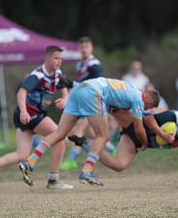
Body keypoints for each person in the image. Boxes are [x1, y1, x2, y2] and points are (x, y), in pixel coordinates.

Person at [19, 77, 160, 187]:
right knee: (103, 136)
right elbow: (139, 128)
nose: (146, 110)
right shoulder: (139, 99)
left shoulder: (130, 88)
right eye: (149, 107)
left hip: (80, 89)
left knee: (59, 133)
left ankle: (29, 162)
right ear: (148, 99)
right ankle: (86, 171)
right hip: (93, 92)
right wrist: (145, 143)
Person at [0, 45, 73, 189]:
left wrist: (65, 99)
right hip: (31, 114)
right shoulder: (37, 75)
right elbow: (21, 93)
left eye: (61, 58)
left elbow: (64, 90)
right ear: (47, 59)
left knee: (21, 154)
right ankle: (53, 179)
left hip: (30, 116)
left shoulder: (57, 74)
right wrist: (24, 111)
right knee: (60, 137)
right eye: (56, 58)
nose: (59, 61)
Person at [71, 100, 178, 188]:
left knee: (119, 166)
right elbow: (149, 120)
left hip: (134, 140)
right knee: (111, 108)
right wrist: (163, 134)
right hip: (135, 123)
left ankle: (84, 143)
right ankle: (84, 102)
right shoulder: (175, 117)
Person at [61, 36, 117, 171]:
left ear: (91, 48)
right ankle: (111, 148)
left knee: (78, 129)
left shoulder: (94, 64)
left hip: (92, 101)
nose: (84, 50)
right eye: (81, 47)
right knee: (88, 131)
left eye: (86, 47)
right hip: (84, 100)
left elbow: (98, 80)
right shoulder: (80, 63)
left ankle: (71, 159)